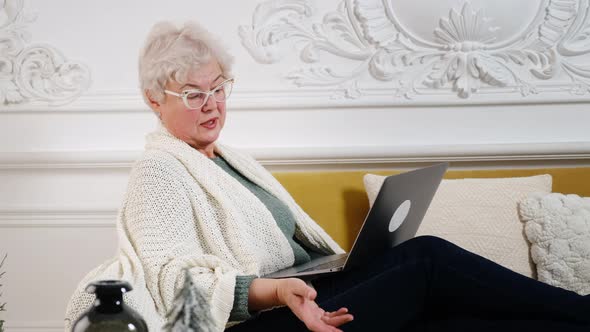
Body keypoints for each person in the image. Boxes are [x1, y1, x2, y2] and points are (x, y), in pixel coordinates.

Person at [65, 21, 590, 332]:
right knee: (426, 261)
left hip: (303, 293)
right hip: (263, 320)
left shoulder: (227, 158)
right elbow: (179, 283)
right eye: (194, 94)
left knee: (437, 298)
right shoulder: (160, 169)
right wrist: (279, 293)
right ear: (153, 100)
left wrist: (336, 268)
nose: (213, 104)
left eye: (219, 86)